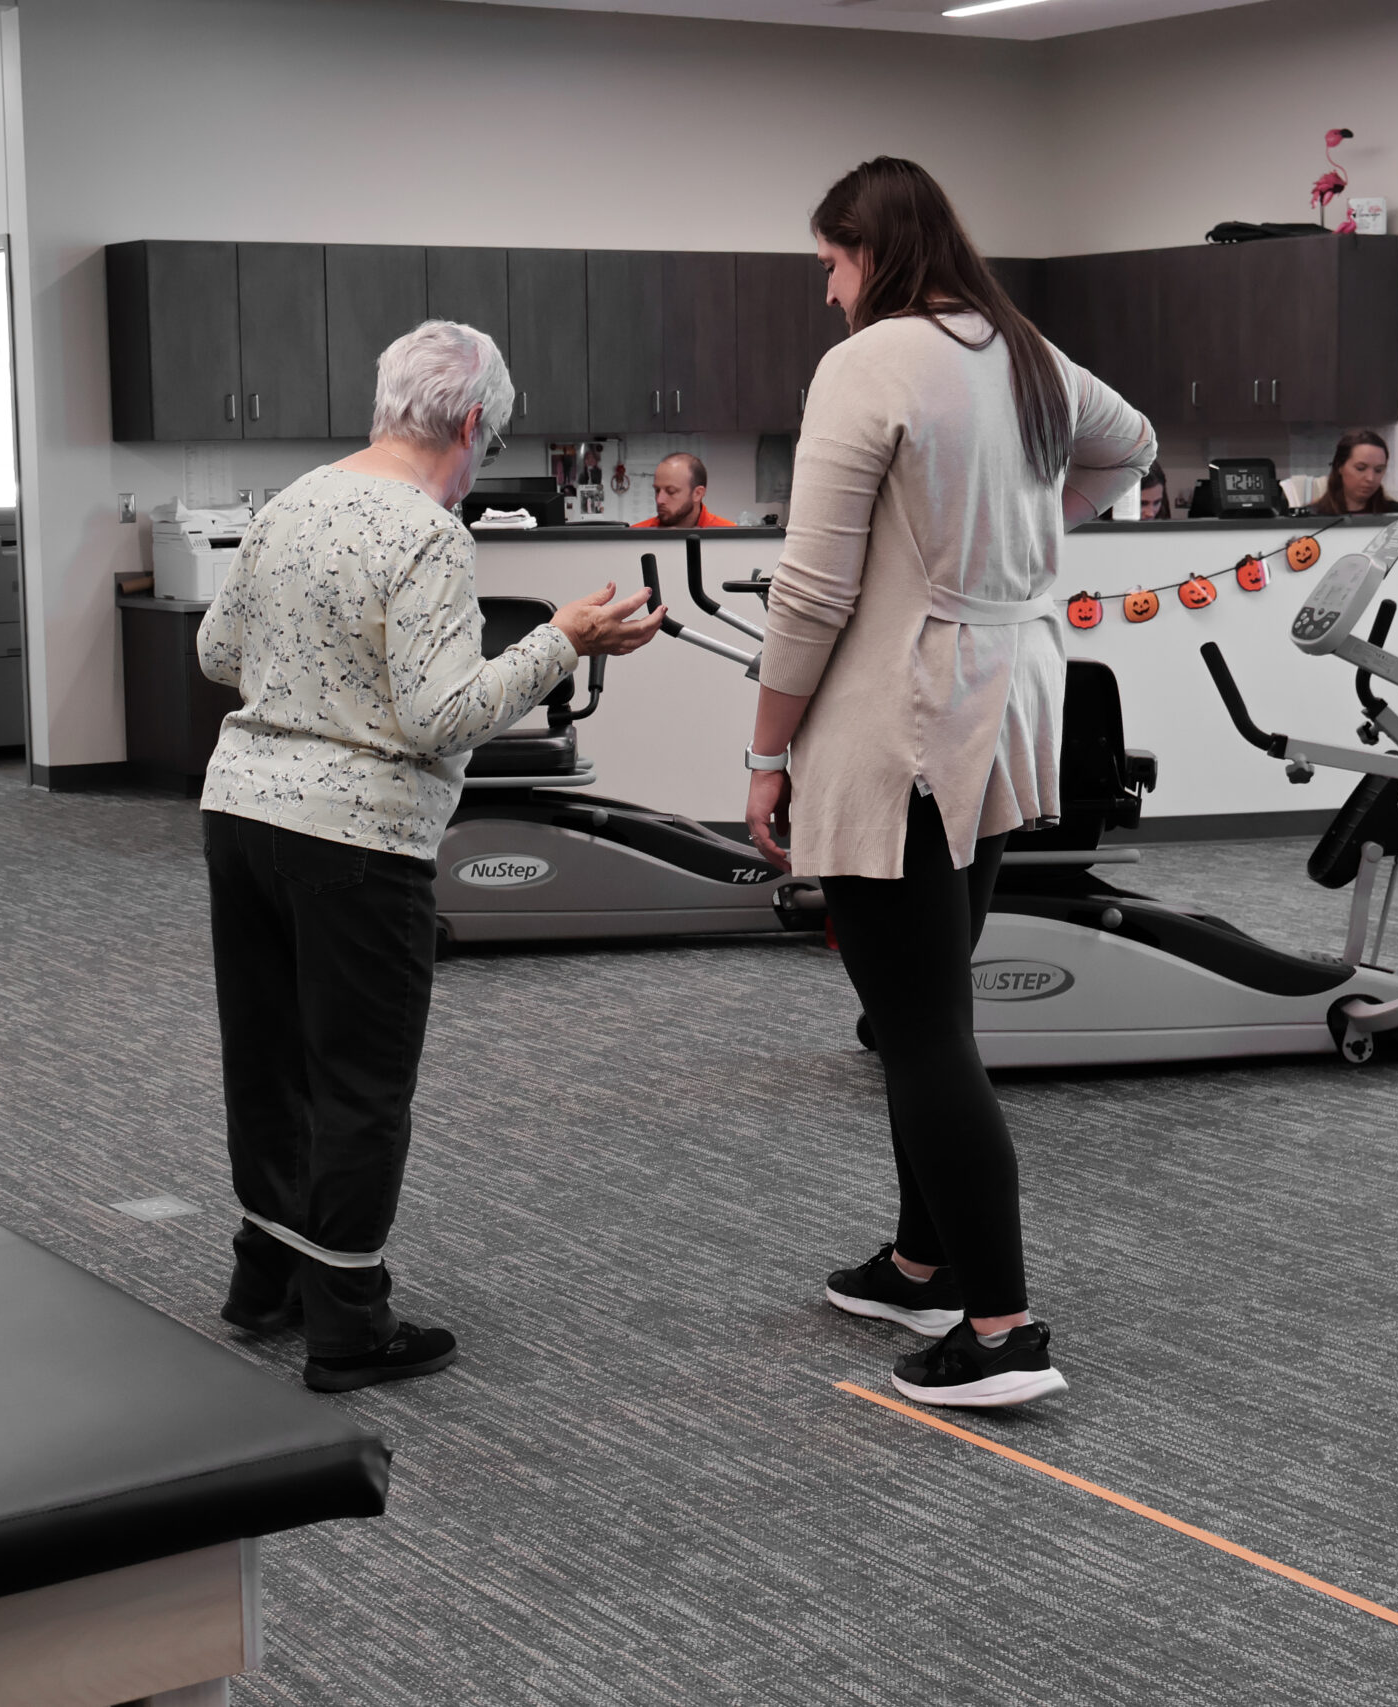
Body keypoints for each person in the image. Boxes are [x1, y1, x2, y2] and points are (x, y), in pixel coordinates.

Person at [744, 158, 1153, 1409]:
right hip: (1004, 700)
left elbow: (811, 591)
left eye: (830, 264)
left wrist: (764, 755)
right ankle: (922, 1264)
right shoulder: (1018, 347)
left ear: (870, 251)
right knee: (931, 1005)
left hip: (909, 719)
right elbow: (1131, 446)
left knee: (918, 1029)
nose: (827, 292)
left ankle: (1000, 1329)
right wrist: (1028, 538)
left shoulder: (870, 362)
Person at [196, 320, 663, 1393]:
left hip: (241, 816)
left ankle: (265, 1278)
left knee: (269, 1064)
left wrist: (309, 668)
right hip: (357, 838)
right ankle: (348, 1324)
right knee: (360, 1082)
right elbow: (439, 715)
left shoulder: (290, 502)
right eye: (484, 448)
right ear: (470, 424)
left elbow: (217, 652)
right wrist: (562, 641)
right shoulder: (429, 534)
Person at [629, 451, 739, 529]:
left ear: (697, 494)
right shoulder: (635, 537)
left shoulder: (729, 537)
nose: (659, 500)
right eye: (657, 490)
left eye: (671, 491)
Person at [1304, 429, 1398, 514]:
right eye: (1360, 468)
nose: (1370, 478)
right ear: (1339, 467)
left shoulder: (1397, 515)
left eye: (1378, 470)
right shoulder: (1311, 516)